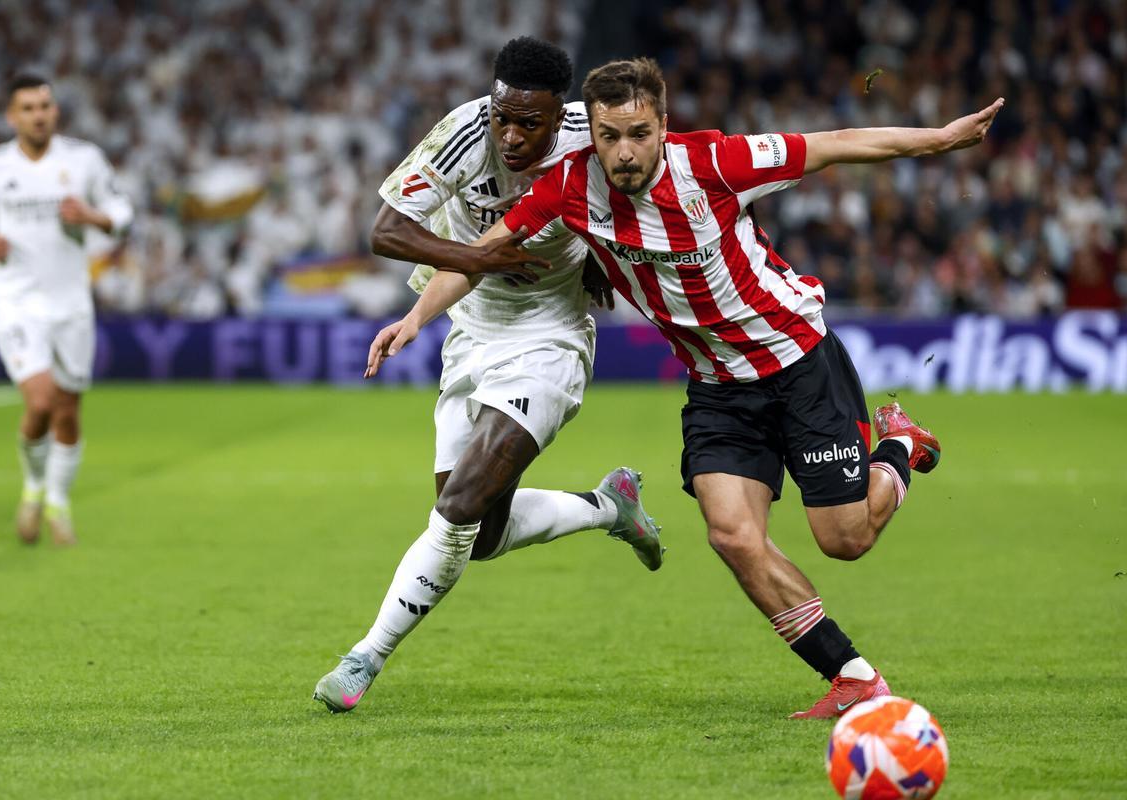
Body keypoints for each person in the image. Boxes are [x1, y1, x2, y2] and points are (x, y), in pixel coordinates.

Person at [416, 57, 1000, 719]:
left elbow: (835, 146)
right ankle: (854, 677)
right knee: (731, 535)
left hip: (796, 364)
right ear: (594, 134)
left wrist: (942, 138)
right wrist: (411, 319)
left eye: (639, 132)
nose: (625, 151)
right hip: (718, 389)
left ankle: (897, 448)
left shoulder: (717, 163)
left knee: (845, 539)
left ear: (664, 124)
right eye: (609, 136)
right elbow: (481, 252)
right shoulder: (570, 187)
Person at [313, 38, 664, 714]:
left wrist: (605, 255)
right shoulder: (463, 131)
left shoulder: (593, 141)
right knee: (482, 536)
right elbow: (386, 232)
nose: (509, 134)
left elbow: (647, 201)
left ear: (558, 115)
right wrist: (456, 282)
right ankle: (606, 507)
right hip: (469, 331)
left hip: (550, 340)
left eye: (527, 122)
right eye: (502, 115)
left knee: (458, 507)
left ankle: (363, 659)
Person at [0, 74, 132, 545]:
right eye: (28, 107)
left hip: (71, 302)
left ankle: (56, 501)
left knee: (68, 409)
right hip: (17, 300)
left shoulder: (83, 160)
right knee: (40, 400)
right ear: (11, 116)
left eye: (45, 105)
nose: (38, 114)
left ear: (55, 111)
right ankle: (34, 486)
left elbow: (122, 212)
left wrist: (94, 217)